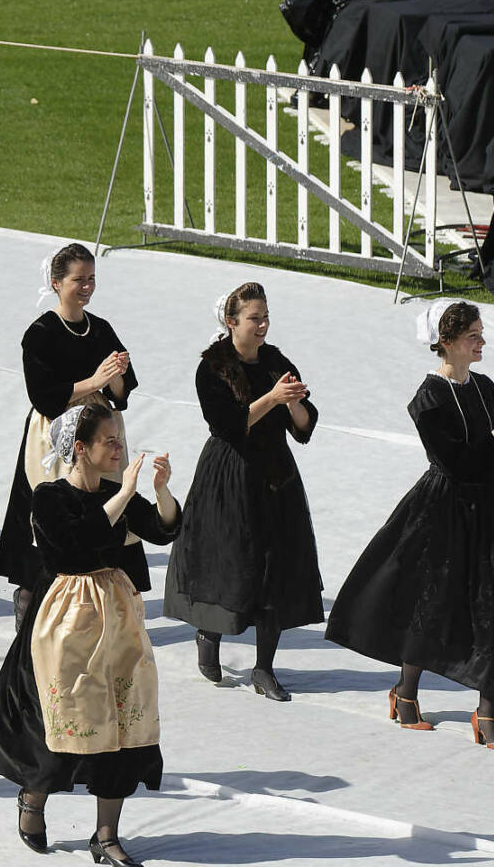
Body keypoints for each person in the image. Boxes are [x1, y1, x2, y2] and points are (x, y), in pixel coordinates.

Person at [0, 403, 180, 867]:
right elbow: (72, 549)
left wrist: (160, 491)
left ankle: (106, 835)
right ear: (80, 448)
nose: (118, 447)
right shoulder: (49, 496)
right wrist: (123, 494)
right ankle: (34, 800)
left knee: (123, 719)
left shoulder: (117, 492)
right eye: (108, 440)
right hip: (64, 620)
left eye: (118, 439)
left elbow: (163, 529)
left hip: (116, 617)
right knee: (56, 718)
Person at [327, 301, 494, 751]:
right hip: (443, 510)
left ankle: (486, 715)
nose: (481, 342)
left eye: (481, 334)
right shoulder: (428, 398)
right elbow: (454, 461)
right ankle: (405, 694)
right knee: (431, 605)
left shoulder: (484, 387)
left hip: (488, 511)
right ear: (447, 340)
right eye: (473, 336)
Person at [165, 282, 322, 701]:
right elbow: (230, 425)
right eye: (255, 318)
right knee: (229, 563)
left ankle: (264, 668)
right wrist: (272, 398)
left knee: (275, 567)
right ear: (231, 322)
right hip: (230, 475)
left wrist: (292, 403)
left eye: (266, 316)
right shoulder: (213, 367)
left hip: (275, 474)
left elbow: (305, 428)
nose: (264, 324)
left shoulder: (274, 359)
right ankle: (209, 635)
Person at [0, 243, 135, 629]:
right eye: (78, 280)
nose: (87, 287)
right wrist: (96, 380)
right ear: (56, 283)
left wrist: (117, 373)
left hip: (99, 427)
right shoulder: (40, 333)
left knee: (102, 503)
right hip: (54, 431)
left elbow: (122, 393)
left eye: (91, 279)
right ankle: (31, 595)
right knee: (54, 510)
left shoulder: (101, 328)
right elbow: (43, 396)